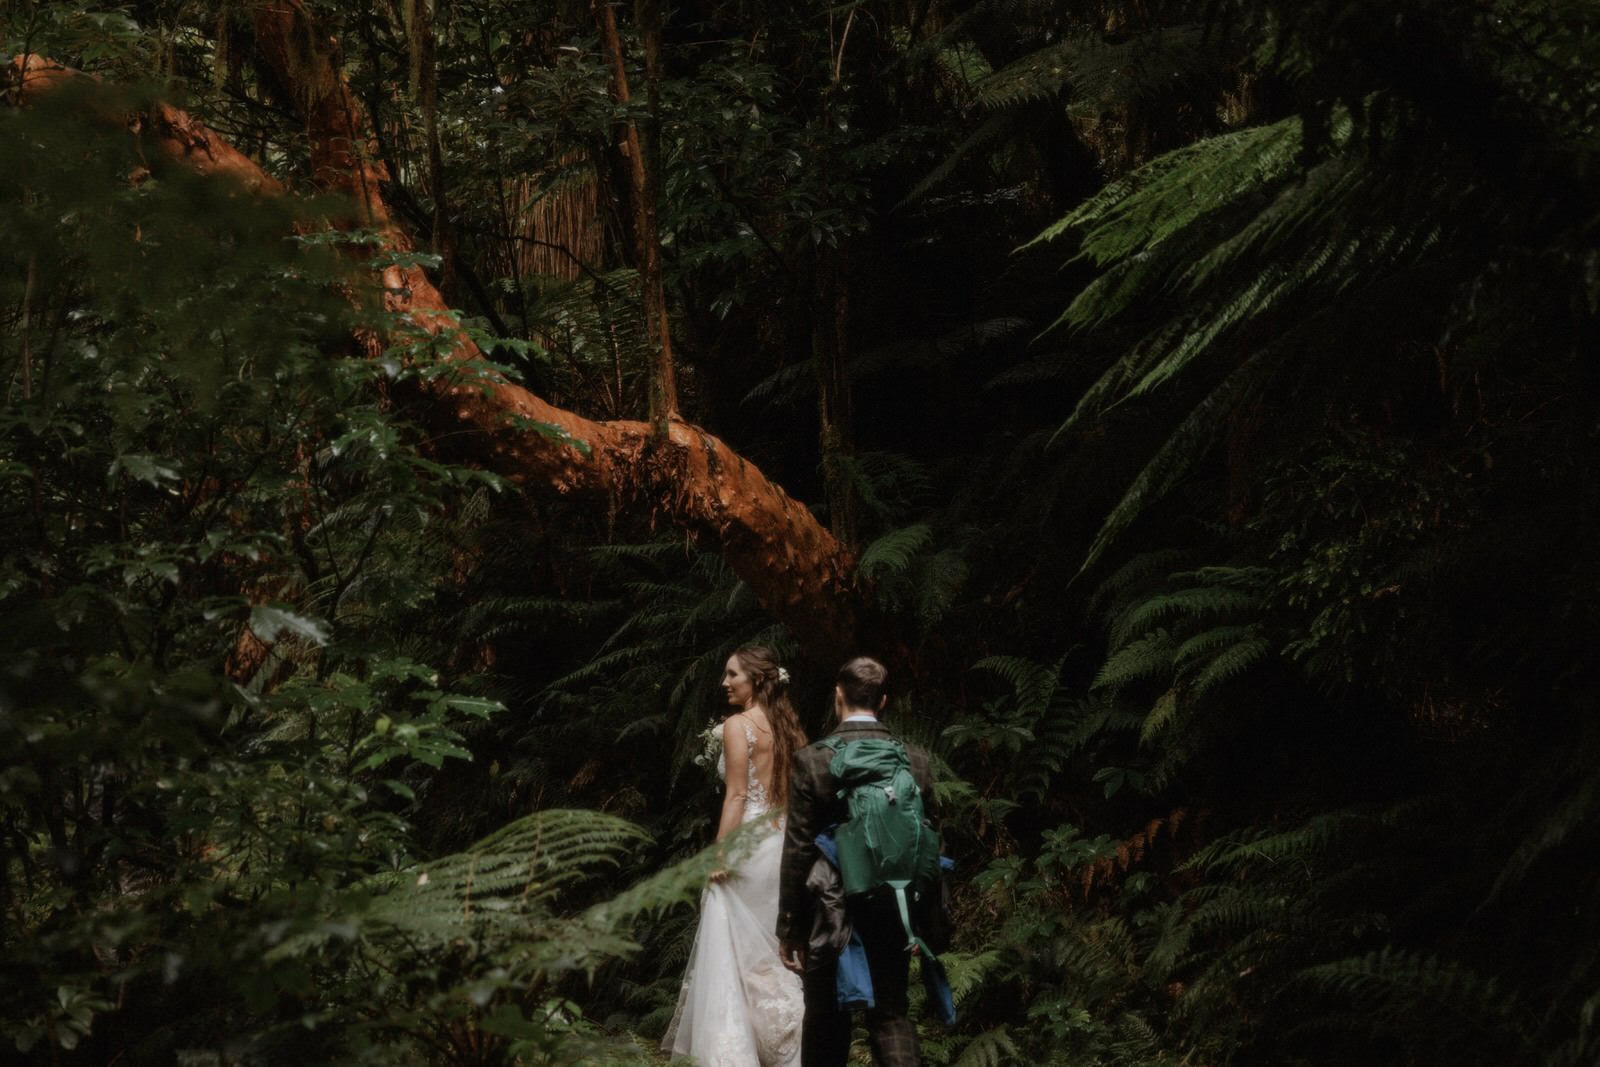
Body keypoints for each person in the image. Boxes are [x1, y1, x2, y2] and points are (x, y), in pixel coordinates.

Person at [777, 656, 943, 1067]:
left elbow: (798, 847)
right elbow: (931, 844)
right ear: (883, 700)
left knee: (825, 1015)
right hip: (893, 900)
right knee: (891, 1013)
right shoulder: (915, 761)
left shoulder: (813, 760)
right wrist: (928, 918)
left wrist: (789, 926)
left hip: (828, 905)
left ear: (838, 695)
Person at [662, 645, 808, 1066]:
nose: (725, 683)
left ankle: (734, 1055)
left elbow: (738, 795)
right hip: (781, 847)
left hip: (747, 846)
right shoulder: (788, 728)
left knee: (733, 954)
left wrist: (719, 855)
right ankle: (791, 1047)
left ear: (756, 680)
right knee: (770, 955)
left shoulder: (737, 725)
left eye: (732, 675)